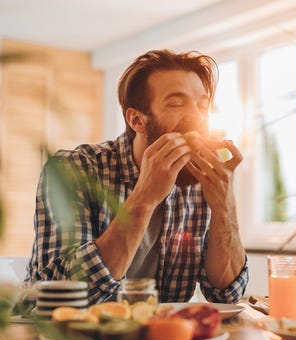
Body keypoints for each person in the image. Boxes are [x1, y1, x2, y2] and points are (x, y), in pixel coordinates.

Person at [25, 49, 249, 305]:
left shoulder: (201, 181)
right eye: (176, 103)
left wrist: (225, 206)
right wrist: (145, 196)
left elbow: (227, 293)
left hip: (162, 339)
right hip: (73, 339)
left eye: (202, 105)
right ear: (137, 120)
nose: (197, 117)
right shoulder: (73, 169)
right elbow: (58, 295)